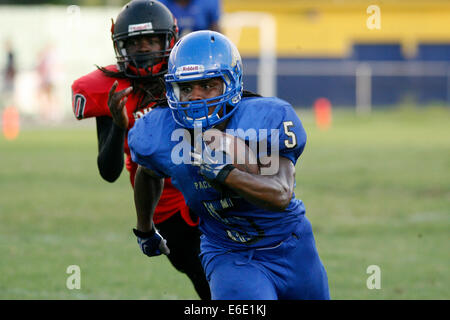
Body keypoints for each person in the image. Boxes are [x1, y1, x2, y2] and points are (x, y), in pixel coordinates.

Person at [128, 30, 330, 299]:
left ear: (230, 83)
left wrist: (226, 174)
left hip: (291, 245)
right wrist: (145, 229)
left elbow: (281, 193)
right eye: (186, 88)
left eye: (208, 85)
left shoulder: (265, 120)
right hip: (227, 251)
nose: (195, 97)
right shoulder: (160, 130)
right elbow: (147, 172)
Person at [71, 0, 210, 300]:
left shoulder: (189, 76)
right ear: (121, 47)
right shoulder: (112, 90)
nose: (144, 48)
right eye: (135, 42)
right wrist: (119, 124)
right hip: (167, 207)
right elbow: (108, 172)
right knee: (210, 280)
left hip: (209, 187)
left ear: (169, 39)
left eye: (151, 40)